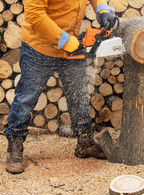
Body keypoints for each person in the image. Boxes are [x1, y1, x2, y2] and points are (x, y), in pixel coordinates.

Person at [5, 0, 117, 174]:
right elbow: (35, 14)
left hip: (72, 42)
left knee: (78, 95)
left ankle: (84, 143)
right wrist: (64, 41)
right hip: (39, 47)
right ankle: (15, 145)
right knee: (26, 97)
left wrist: (102, 10)